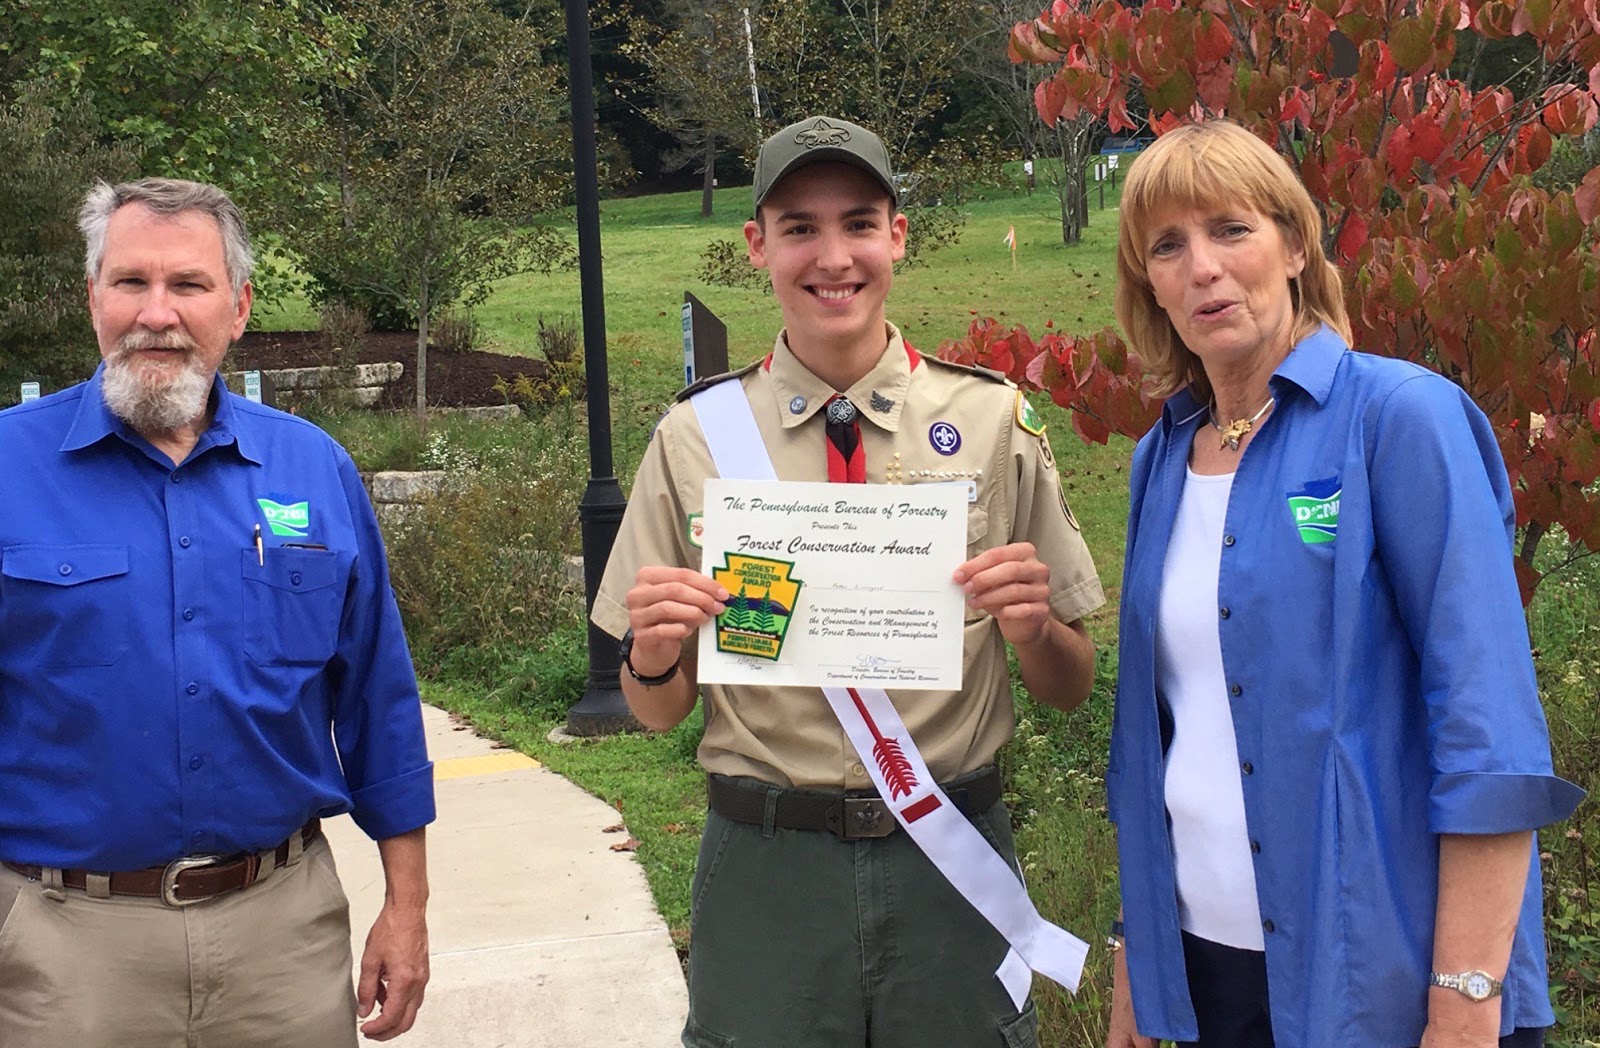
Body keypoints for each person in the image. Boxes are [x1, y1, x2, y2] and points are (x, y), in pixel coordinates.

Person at [593, 115, 1105, 1046]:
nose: (834, 257)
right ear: (758, 247)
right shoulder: (698, 438)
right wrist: (658, 654)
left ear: (897, 236)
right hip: (767, 865)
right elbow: (656, 711)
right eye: (799, 228)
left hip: (950, 858)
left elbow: (1070, 687)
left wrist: (1034, 629)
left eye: (860, 222)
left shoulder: (991, 422)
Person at [1104, 120, 1584, 1048]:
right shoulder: (1157, 462)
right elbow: (1157, 740)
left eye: (1231, 229)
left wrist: (1465, 1001)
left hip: (1384, 978)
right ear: (1149, 285)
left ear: (1293, 244)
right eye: (1168, 245)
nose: (1203, 267)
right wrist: (1141, 964)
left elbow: (1488, 733)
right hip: (1209, 976)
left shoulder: (1402, 420)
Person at [0, 177, 435, 1047]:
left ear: (237, 308)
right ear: (93, 298)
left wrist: (407, 905)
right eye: (130, 282)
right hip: (63, 950)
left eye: (188, 286)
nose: (155, 313)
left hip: (283, 937)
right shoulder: (9, 468)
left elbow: (377, 700)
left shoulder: (312, 469)